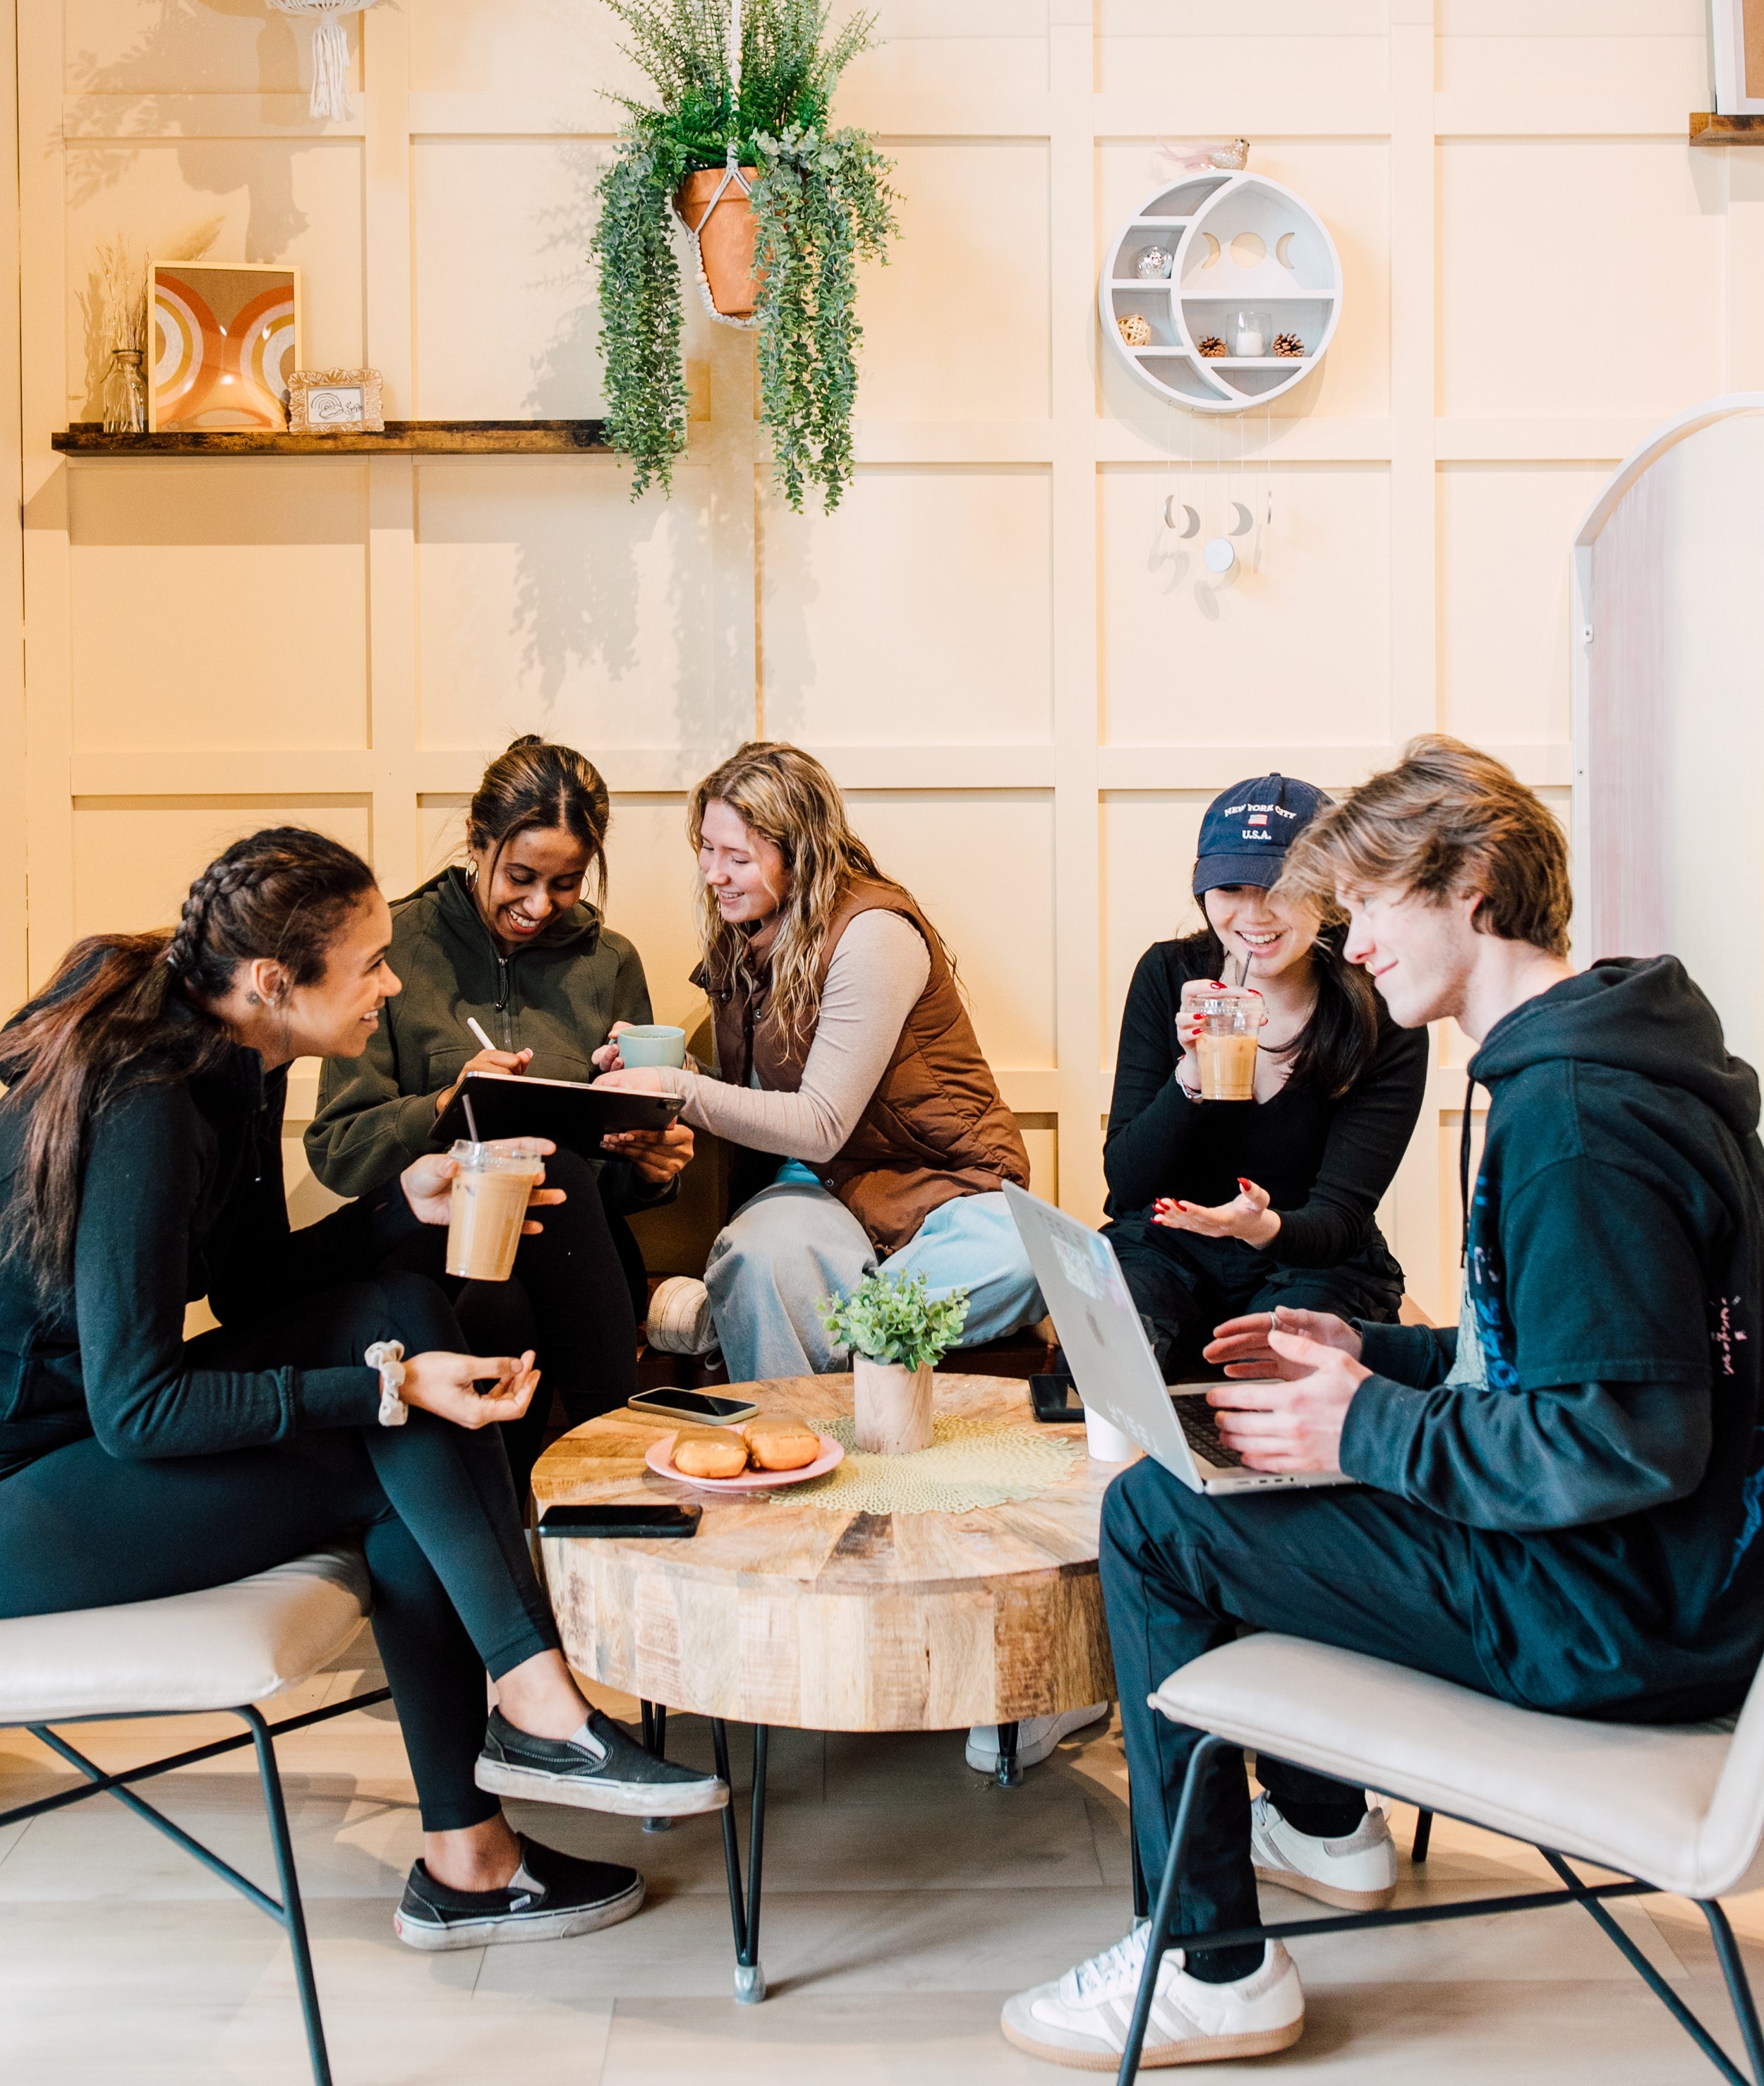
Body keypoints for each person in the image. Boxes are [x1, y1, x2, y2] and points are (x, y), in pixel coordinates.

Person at [1004, 735, 1764, 2070]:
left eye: (1368, 911)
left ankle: (1210, 1965)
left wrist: (1359, 1425)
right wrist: (1369, 1354)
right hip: (1653, 1579)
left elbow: (1623, 1440)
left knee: (1155, 1524)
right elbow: (1574, 1361)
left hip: (1608, 1613)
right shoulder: (1597, 1065)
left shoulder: (1574, 1122)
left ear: (1471, 886)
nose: (1350, 947)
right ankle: (1315, 1822)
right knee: (1238, 1468)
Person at [0, 828, 725, 1958]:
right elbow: (136, 1406)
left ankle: (502, 1788)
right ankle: (503, 1783)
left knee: (399, 1306)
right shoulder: (149, 1096)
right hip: (24, 1494)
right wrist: (383, 1388)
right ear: (272, 981)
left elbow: (245, 1290)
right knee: (401, 1413)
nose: (392, 984)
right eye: (371, 963)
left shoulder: (232, 1052)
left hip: (86, 1436)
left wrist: (405, 1204)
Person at [601, 740, 1100, 1776]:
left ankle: (806, 1328)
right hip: (825, 1204)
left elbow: (821, 1120)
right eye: (705, 848)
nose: (713, 870)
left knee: (1054, 1250)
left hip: (945, 1193)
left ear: (798, 846)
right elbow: (798, 1149)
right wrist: (666, 1081)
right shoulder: (744, 942)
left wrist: (676, 1092)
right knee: (764, 1248)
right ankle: (812, 1529)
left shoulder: (875, 933)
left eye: (735, 852)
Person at [306, 737, 690, 1499]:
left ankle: (515, 1531)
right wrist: (446, 1105)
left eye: (566, 883)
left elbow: (617, 1174)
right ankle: (625, 1476)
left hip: (566, 1241)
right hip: (429, 1240)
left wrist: (646, 1165)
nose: (540, 906)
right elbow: (340, 1150)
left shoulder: (608, 962)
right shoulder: (398, 948)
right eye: (519, 877)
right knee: (505, 1270)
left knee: (537, 1226)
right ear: (477, 844)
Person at [1104, 773, 1425, 1380]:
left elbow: (1339, 1221)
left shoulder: (1385, 1012)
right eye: (1231, 887)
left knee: (1278, 1378)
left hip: (1312, 1257)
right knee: (1115, 1365)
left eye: (1283, 887)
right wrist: (1193, 1070)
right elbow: (1126, 1184)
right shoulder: (1166, 974)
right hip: (1169, 1247)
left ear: (1329, 892)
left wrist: (1261, 1227)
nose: (1255, 914)